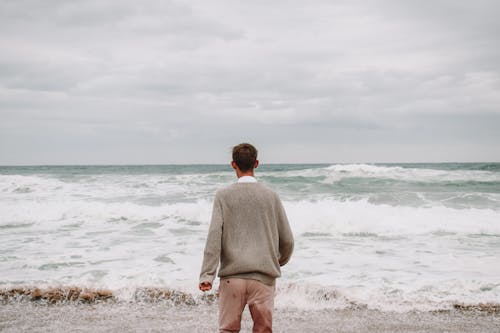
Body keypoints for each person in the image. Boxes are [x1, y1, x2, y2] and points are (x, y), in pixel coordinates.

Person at [199, 143, 294, 333]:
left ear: (233, 164)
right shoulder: (271, 196)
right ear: (256, 163)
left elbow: (214, 237)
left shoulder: (223, 196)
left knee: (228, 330)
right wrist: (277, 261)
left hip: (231, 279)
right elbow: (288, 240)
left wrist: (207, 274)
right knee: (263, 329)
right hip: (263, 277)